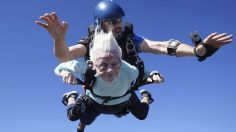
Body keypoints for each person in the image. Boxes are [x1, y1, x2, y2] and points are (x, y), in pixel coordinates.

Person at [54, 31, 163, 132]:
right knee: (73, 117)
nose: (110, 70)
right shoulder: (88, 67)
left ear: (121, 62)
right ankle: (71, 98)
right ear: (94, 64)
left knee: (142, 115)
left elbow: (144, 73)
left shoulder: (130, 70)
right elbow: (61, 67)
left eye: (115, 64)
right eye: (103, 65)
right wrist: (66, 73)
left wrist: (154, 74)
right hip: (95, 102)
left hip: (122, 100)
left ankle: (146, 97)